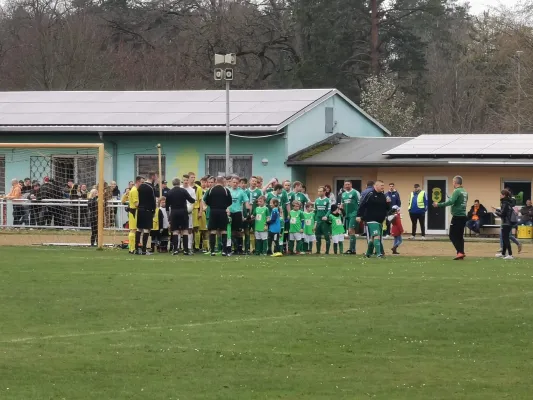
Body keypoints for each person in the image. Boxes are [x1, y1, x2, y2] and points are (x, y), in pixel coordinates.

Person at [433, 175, 468, 260]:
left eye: (453, 182)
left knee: (452, 235)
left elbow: (451, 202)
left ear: (455, 182)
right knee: (460, 236)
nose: (452, 183)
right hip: (463, 216)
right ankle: (461, 253)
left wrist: (438, 204)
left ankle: (460, 252)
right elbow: (461, 202)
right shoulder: (465, 191)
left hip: (457, 216)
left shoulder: (457, 191)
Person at [356, 180, 390, 258]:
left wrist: (388, 204)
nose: (383, 187)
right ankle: (379, 254)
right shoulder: (370, 194)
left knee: (372, 237)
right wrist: (359, 215)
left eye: (383, 185)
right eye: (381, 185)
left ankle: (368, 254)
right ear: (375, 186)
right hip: (370, 219)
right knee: (376, 235)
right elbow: (362, 205)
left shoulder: (383, 196)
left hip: (380, 220)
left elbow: (387, 208)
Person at [204, 176, 233, 256]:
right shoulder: (226, 190)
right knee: (223, 230)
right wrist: (223, 206)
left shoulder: (211, 190)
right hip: (222, 211)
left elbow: (206, 200)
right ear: (223, 181)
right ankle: (224, 251)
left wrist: (213, 205)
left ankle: (212, 251)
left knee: (213, 231)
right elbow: (230, 201)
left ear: (216, 181)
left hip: (213, 211)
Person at [166, 178, 196, 255]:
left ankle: (175, 249)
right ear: (179, 183)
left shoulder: (170, 192)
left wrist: (168, 216)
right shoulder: (183, 191)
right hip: (183, 212)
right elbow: (192, 200)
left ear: (173, 184)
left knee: (175, 231)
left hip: (174, 212)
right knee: (185, 231)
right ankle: (186, 250)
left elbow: (167, 206)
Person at [136, 171, 158, 255]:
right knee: (146, 230)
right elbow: (153, 200)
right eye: (156, 176)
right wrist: (154, 210)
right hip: (147, 210)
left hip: (140, 210)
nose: (156, 178)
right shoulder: (150, 187)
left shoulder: (141, 186)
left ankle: (137, 248)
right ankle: (144, 250)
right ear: (152, 177)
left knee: (139, 229)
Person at [228, 176, 250, 255]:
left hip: (238, 213)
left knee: (239, 232)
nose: (235, 184)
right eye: (233, 182)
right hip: (229, 213)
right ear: (230, 182)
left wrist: (248, 212)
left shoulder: (241, 192)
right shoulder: (228, 191)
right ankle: (232, 248)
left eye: (236, 183)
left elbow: (246, 201)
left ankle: (240, 249)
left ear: (238, 184)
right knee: (231, 231)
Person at [493, 190, 516, 260]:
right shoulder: (507, 203)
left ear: (504, 195)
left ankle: (510, 254)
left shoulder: (505, 203)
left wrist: (495, 212)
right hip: (507, 223)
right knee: (504, 238)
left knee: (506, 239)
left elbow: (503, 214)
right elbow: (504, 212)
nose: (500, 195)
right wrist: (498, 210)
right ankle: (503, 253)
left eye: (501, 194)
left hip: (506, 223)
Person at [340, 180, 360, 255]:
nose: (347, 186)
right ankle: (352, 249)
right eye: (346, 184)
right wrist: (341, 210)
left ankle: (352, 249)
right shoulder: (343, 194)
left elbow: (360, 203)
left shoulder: (355, 192)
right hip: (347, 215)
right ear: (344, 186)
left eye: (348, 184)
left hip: (354, 213)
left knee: (351, 230)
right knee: (350, 231)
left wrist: (359, 214)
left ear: (351, 185)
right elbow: (342, 204)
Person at [124, 176, 142, 254]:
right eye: (142, 182)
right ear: (138, 182)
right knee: (133, 230)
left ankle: (132, 247)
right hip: (134, 211)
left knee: (133, 230)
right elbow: (136, 203)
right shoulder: (134, 190)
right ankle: (132, 248)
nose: (142, 183)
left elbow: (123, 200)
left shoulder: (134, 190)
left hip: (133, 211)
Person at [247, 176, 263, 254]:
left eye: (255, 181)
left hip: (256, 215)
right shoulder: (246, 191)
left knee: (256, 232)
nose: (254, 182)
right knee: (246, 232)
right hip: (247, 215)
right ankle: (246, 249)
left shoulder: (259, 192)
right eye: (252, 181)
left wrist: (255, 213)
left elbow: (261, 204)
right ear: (249, 182)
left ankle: (256, 249)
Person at [314, 186, 331, 254]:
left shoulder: (328, 200)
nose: (319, 192)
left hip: (325, 221)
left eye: (321, 191)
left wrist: (326, 216)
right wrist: (315, 221)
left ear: (324, 192)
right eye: (318, 191)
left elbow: (329, 210)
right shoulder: (316, 200)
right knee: (317, 236)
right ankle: (318, 251)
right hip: (318, 221)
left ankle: (327, 251)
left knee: (326, 236)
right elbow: (315, 211)